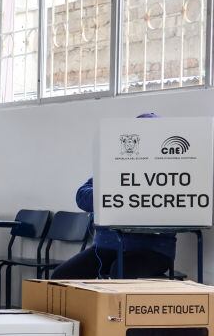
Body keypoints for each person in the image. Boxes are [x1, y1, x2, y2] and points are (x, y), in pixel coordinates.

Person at [51, 113, 176, 279]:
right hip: (107, 247)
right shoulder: (116, 164)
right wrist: (112, 196)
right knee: (61, 277)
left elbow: (175, 210)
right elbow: (82, 195)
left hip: (153, 251)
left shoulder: (170, 170)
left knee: (120, 271)